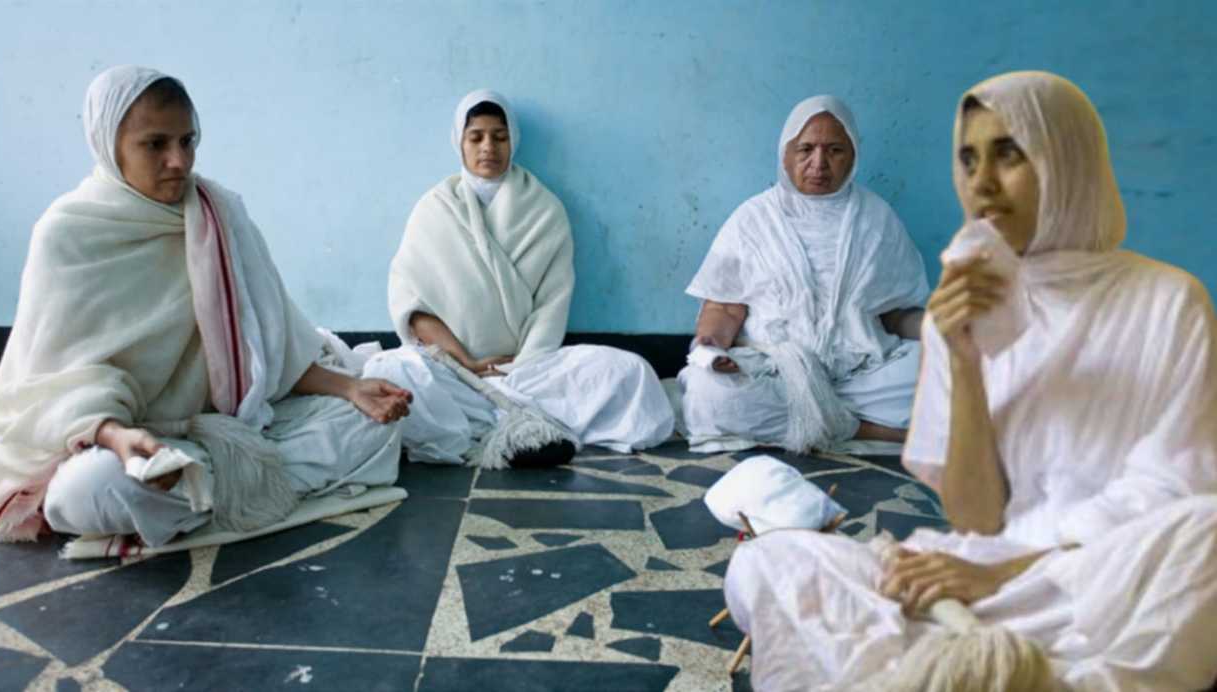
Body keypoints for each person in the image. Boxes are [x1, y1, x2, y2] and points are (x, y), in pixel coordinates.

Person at [722, 72, 1217, 691]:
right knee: (769, 562)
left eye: (1009, 153)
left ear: (1069, 157)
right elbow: (977, 521)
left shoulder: (1167, 300)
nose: (980, 183)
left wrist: (1012, 572)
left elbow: (1177, 496)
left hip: (1111, 571)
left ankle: (974, 669)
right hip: (989, 568)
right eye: (967, 158)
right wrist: (960, 356)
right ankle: (1010, 669)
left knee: (1209, 536)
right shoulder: (971, 305)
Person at [0, 66, 412, 547]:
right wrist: (117, 438)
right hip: (121, 442)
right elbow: (49, 384)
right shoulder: (68, 233)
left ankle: (215, 492)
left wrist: (350, 387)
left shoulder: (217, 212)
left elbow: (271, 344)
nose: (178, 161)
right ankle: (226, 488)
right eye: (155, 144)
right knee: (89, 490)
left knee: (369, 430)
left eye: (188, 141)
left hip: (225, 431)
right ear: (108, 143)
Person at [370, 89, 674, 465]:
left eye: (500, 136)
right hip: (452, 371)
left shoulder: (545, 209)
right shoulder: (433, 209)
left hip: (529, 371)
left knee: (632, 372)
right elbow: (413, 305)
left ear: (513, 140)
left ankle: (494, 419)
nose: (488, 147)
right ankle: (515, 422)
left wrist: (521, 365)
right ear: (459, 142)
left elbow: (552, 302)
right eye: (476, 136)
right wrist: (466, 363)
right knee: (389, 370)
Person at [678, 95, 928, 454]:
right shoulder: (753, 219)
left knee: (952, 375)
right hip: (778, 374)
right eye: (806, 149)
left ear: (853, 155)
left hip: (863, 374)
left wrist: (941, 333)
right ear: (785, 154)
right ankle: (859, 429)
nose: (819, 164)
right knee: (709, 392)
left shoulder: (877, 219)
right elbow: (725, 308)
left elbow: (897, 313)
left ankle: (819, 421)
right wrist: (710, 344)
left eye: (835, 150)